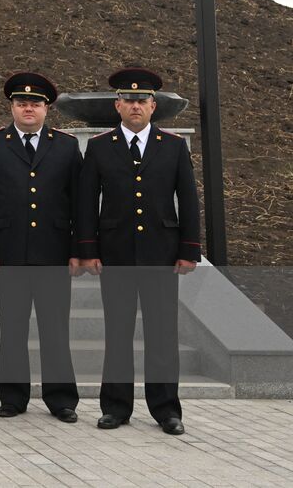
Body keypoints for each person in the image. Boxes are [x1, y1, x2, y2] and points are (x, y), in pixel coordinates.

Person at [77, 68, 200, 436]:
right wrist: (88, 250)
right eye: (128, 100)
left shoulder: (174, 145)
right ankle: (115, 407)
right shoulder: (100, 147)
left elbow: (189, 201)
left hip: (162, 255)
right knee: (118, 333)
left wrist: (189, 250)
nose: (135, 105)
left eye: (142, 100)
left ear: (153, 106)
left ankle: (166, 410)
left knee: (162, 334)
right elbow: (87, 203)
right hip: (115, 254)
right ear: (117, 105)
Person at [0, 72, 82, 423]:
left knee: (55, 329)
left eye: (35, 104)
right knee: (13, 329)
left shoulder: (66, 146)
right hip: (9, 253)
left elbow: (77, 203)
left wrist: (77, 249)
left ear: (46, 109)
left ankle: (61, 398)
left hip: (53, 253)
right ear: (12, 107)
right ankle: (13, 397)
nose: (28, 108)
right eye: (22, 103)